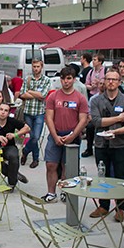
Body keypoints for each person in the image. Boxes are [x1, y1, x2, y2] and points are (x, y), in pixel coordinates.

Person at [88, 68, 124, 221]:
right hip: (101, 144)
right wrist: (117, 119)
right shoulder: (96, 100)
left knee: (121, 176)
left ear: (119, 82)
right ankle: (103, 205)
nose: (110, 82)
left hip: (121, 144)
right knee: (103, 175)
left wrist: (115, 132)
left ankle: (120, 207)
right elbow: (96, 121)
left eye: (114, 79)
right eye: (108, 79)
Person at [43, 66, 89, 203]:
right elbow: (49, 118)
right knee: (51, 165)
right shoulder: (53, 96)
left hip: (72, 136)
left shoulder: (80, 98)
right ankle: (51, 193)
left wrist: (72, 136)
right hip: (55, 135)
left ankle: (66, 191)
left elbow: (83, 120)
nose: (66, 81)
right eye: (63, 78)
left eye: (69, 78)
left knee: (67, 166)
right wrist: (55, 136)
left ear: (74, 80)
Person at [19, 59, 53, 169]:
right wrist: (35, 94)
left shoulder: (46, 80)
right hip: (28, 111)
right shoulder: (27, 79)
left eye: (38, 66)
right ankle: (35, 159)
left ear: (41, 67)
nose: (36, 68)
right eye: (34, 66)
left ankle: (25, 150)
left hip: (39, 112)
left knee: (36, 137)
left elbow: (43, 95)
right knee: (32, 136)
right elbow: (22, 94)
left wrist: (30, 91)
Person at [82, 53, 105, 158]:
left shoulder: (105, 71)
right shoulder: (91, 71)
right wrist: (90, 87)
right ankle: (89, 148)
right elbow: (86, 84)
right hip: (93, 95)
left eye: (95, 60)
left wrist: (99, 83)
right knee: (90, 126)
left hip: (102, 96)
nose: (93, 61)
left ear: (100, 61)